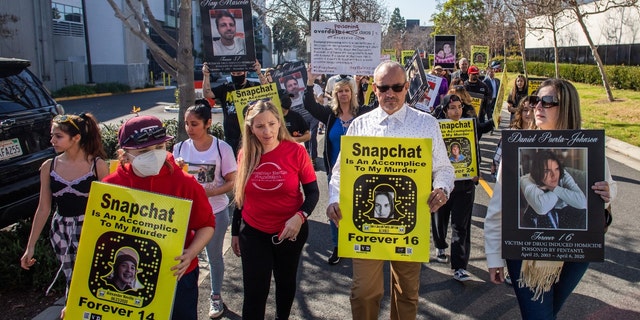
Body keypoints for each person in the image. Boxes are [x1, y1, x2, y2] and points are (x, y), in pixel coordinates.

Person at [326, 61, 454, 319]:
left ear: (407, 87)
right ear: (374, 89)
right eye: (384, 88)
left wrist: (442, 188)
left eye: (397, 87)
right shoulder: (360, 125)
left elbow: (444, 168)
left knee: (406, 293)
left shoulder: (426, 124)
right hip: (366, 225)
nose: (390, 94)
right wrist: (334, 199)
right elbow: (340, 172)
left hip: (409, 224)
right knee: (363, 293)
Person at [485, 79, 617, 319]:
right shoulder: (519, 147)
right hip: (526, 253)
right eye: (536, 100)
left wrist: (609, 192)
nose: (537, 107)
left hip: (575, 252)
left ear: (566, 107)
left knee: (548, 313)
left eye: (547, 102)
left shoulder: (587, 144)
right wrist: (494, 256)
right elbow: (499, 208)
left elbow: (601, 193)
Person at [103, 115, 215, 320]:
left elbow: (206, 225)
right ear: (125, 153)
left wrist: (191, 253)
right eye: (144, 151)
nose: (153, 155)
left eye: (159, 147)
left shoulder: (185, 183)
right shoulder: (110, 186)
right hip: (129, 279)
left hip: (176, 276)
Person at [230, 100, 319, 319]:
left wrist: (300, 217)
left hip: (290, 231)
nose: (267, 131)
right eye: (260, 126)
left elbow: (313, 193)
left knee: (285, 283)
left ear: (279, 123)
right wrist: (235, 231)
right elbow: (240, 196)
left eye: (271, 123)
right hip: (253, 231)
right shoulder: (245, 154)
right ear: (251, 128)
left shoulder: (296, 151)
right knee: (254, 292)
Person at [20, 113, 108, 304]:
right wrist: (31, 246)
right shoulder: (49, 166)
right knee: (72, 277)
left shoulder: (97, 165)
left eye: (58, 136)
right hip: (61, 229)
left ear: (76, 138)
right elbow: (44, 208)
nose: (52, 140)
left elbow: (108, 206)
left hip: (90, 228)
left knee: (93, 278)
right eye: (52, 135)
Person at [305, 67, 376, 265]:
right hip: (335, 173)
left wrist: (369, 84)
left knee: (361, 209)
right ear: (335, 95)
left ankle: (360, 243)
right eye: (340, 91)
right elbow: (309, 105)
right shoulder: (329, 115)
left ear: (352, 93)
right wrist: (310, 81)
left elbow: (379, 105)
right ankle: (338, 246)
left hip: (360, 173)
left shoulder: (362, 113)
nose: (344, 94)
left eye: (347, 91)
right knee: (335, 210)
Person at [172, 102, 237, 318]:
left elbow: (232, 182)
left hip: (214, 213)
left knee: (214, 257)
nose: (190, 129)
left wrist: (206, 194)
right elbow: (172, 181)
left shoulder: (222, 148)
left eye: (195, 124)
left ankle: (216, 297)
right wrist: (176, 170)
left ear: (208, 123)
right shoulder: (179, 148)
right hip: (184, 214)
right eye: (187, 124)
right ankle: (175, 296)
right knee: (181, 258)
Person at [431, 94, 480, 282]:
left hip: (465, 183)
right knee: (440, 218)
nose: (456, 111)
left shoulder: (469, 125)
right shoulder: (436, 128)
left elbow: (475, 148)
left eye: (459, 107)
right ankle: (440, 244)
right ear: (445, 110)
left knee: (461, 225)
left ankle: (460, 266)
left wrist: (476, 169)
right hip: (442, 184)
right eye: (452, 108)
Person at [202, 62, 260, 155]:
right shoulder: (226, 87)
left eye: (239, 73)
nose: (236, 76)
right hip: (231, 136)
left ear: (245, 72)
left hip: (251, 135)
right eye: (233, 74)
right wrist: (206, 75)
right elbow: (207, 93)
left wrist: (259, 73)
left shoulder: (253, 86)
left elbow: (269, 90)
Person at [520, 150, 587, 229]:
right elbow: (542, 208)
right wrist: (562, 191)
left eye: (556, 169)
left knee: (583, 212)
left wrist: (553, 188)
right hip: (540, 218)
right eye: (547, 171)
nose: (554, 175)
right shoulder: (526, 180)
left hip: (565, 214)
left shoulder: (563, 174)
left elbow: (582, 203)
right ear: (538, 171)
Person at [491, 95, 535, 176]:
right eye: (525, 110)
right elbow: (497, 159)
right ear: (520, 112)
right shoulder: (510, 134)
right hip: (511, 179)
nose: (528, 114)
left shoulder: (543, 136)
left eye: (532, 110)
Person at [284, 74, 320, 167]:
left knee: (312, 136)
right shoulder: (286, 100)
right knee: (306, 138)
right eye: (290, 85)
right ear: (286, 88)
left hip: (312, 118)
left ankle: (313, 158)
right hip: (302, 121)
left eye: (295, 84)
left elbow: (316, 99)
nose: (293, 87)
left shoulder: (305, 93)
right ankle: (308, 154)